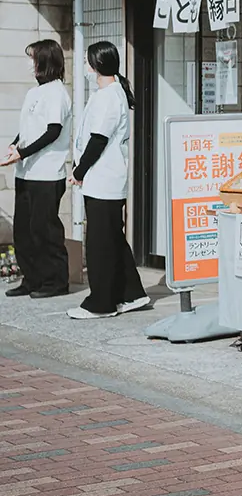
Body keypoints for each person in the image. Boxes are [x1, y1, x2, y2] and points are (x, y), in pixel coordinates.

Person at [67, 41, 150, 320]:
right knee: (112, 238)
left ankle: (101, 303)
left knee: (100, 244)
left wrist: (79, 171)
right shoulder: (108, 93)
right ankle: (133, 294)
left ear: (96, 66)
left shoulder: (110, 97)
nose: (85, 67)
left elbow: (98, 139)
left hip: (103, 180)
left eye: (87, 62)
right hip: (103, 180)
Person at [1, 40, 72, 299]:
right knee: (24, 231)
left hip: (47, 173)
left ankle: (56, 282)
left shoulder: (57, 93)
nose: (29, 64)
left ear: (44, 61)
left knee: (45, 231)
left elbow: (53, 131)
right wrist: (14, 144)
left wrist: (22, 152)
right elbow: (29, 128)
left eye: (32, 59)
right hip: (26, 172)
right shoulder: (35, 93)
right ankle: (32, 279)